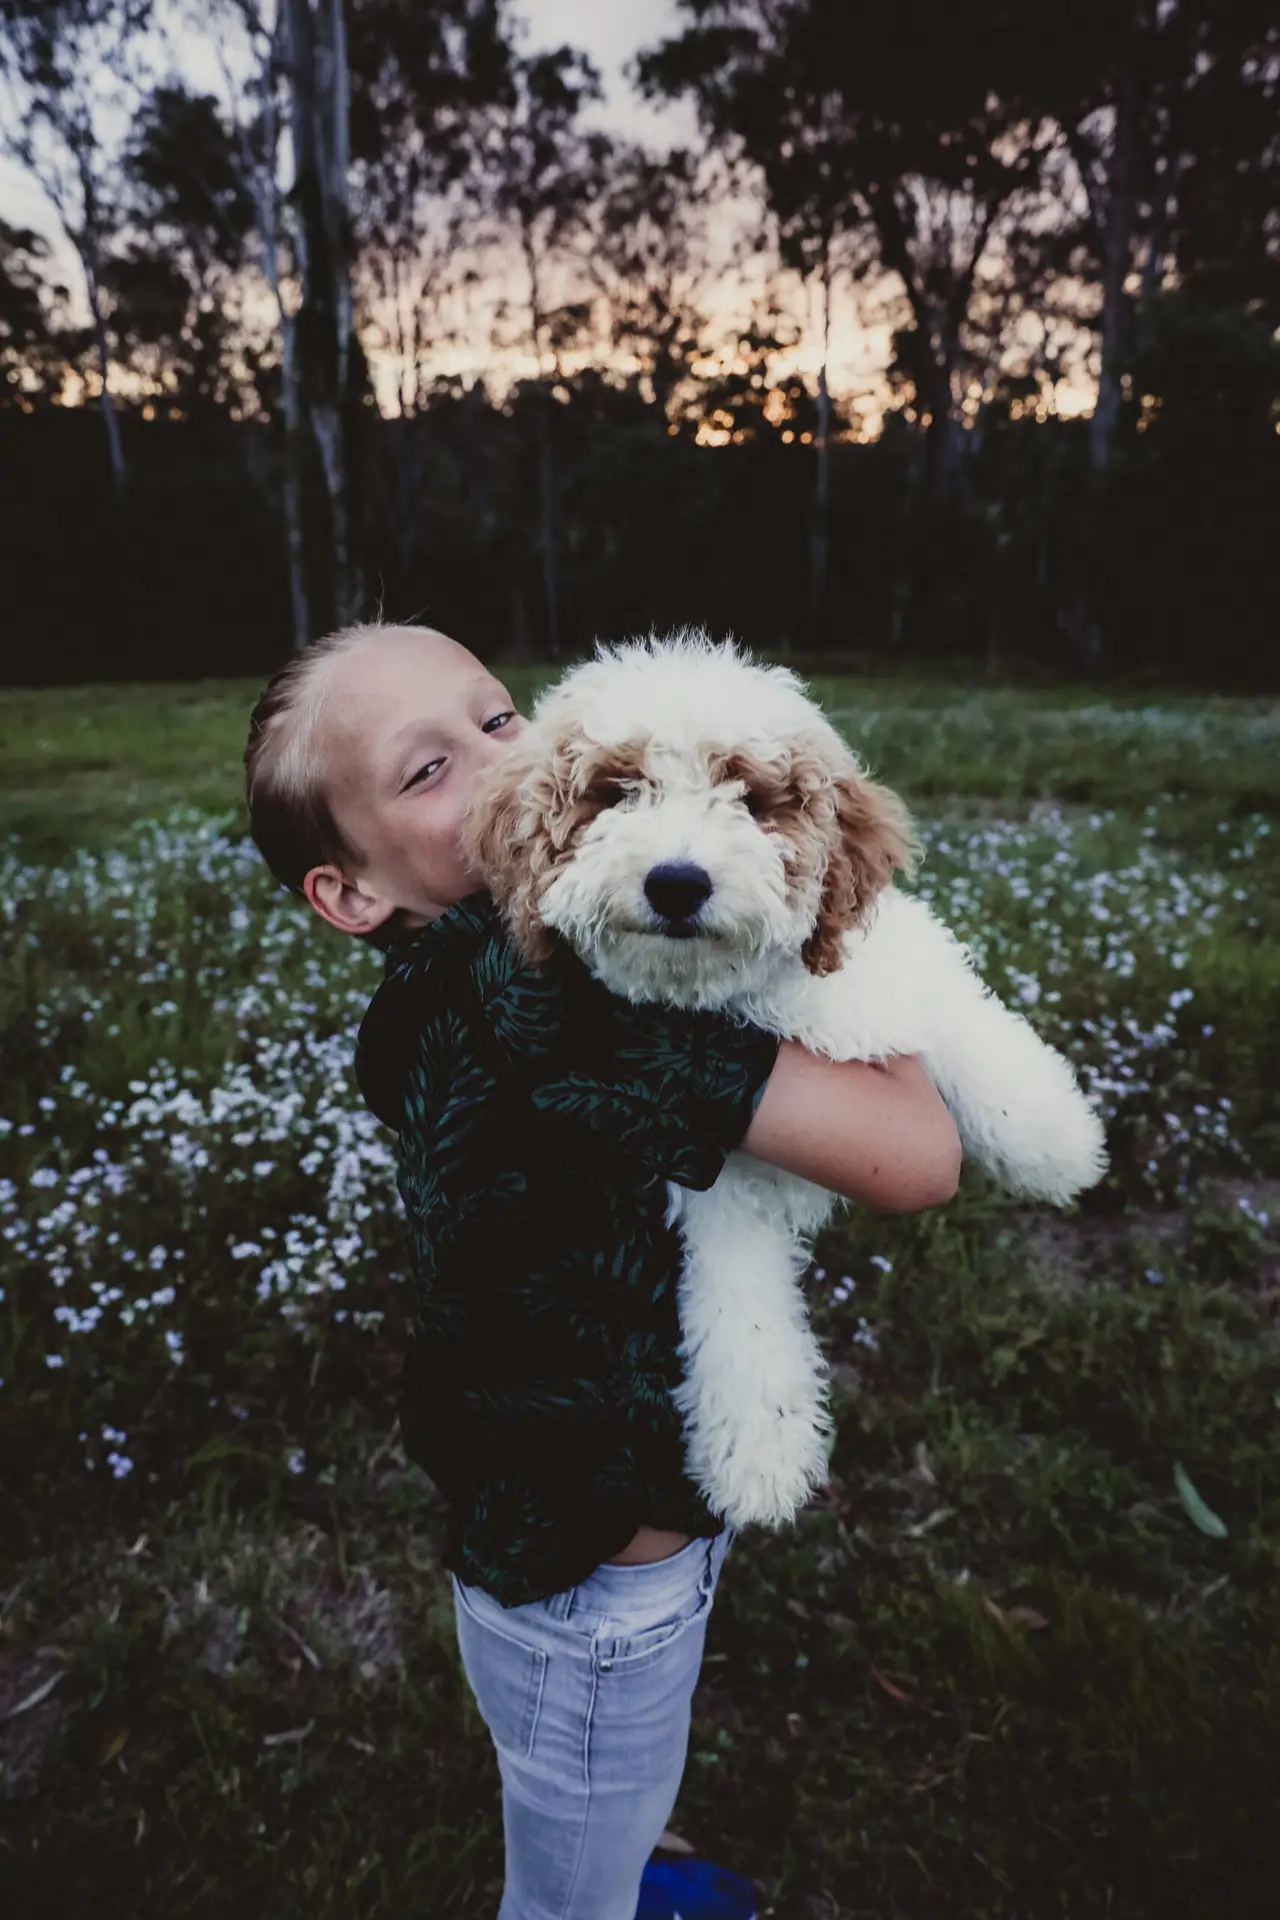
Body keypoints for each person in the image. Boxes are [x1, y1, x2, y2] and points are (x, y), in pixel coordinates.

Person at [243, 622, 961, 1920]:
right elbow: (916, 1155)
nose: (507, 759)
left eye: (501, 715)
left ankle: (625, 1868)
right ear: (351, 895)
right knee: (576, 1847)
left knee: (606, 1786)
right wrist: (870, 956)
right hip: (598, 1575)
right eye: (427, 771)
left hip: (568, 1517)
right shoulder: (553, 1009)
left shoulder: (464, 980)